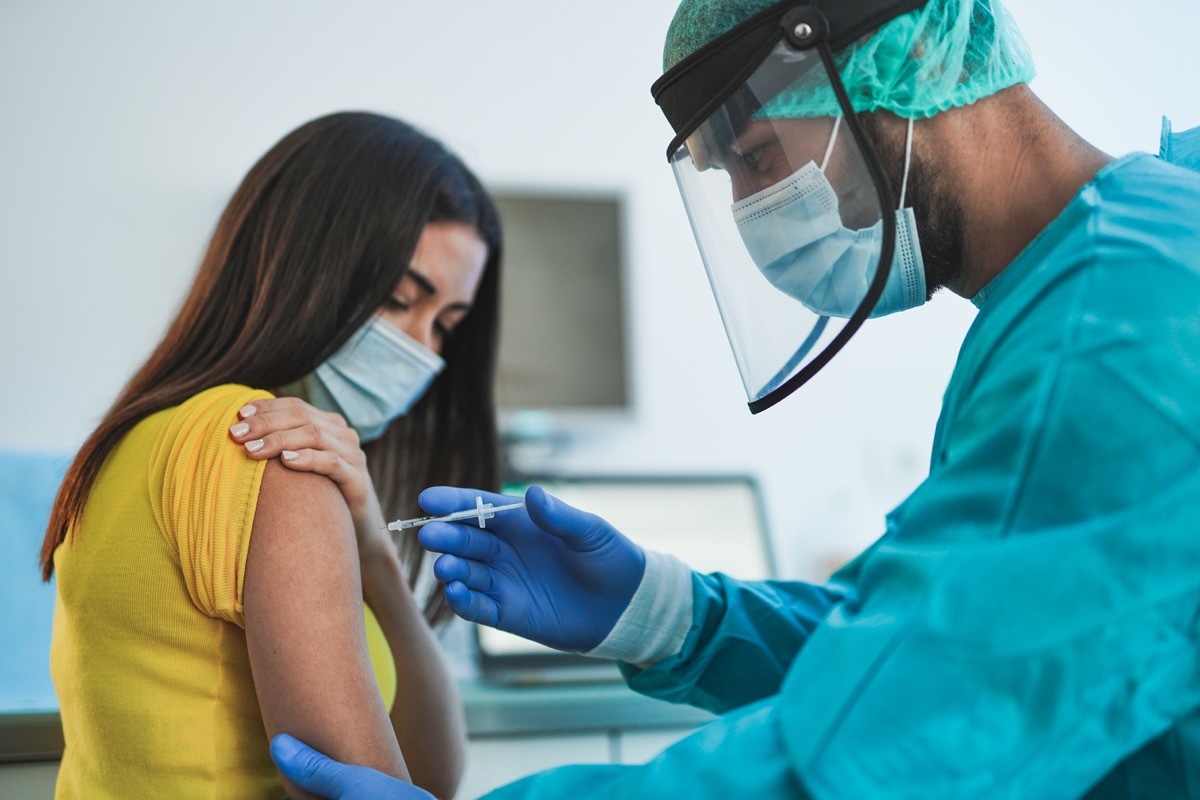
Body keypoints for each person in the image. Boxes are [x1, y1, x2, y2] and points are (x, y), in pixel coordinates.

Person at [272, 0, 1200, 797]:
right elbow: (913, 646)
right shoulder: (1122, 254)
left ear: (912, 57)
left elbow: (883, 751)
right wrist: (662, 608)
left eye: (758, 157)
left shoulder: (1108, 340)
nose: (757, 215)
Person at [40, 111, 503, 800]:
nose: (421, 350)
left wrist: (375, 546)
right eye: (399, 300)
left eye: (445, 326)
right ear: (301, 266)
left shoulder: (139, 432)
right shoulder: (268, 450)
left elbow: (428, 776)